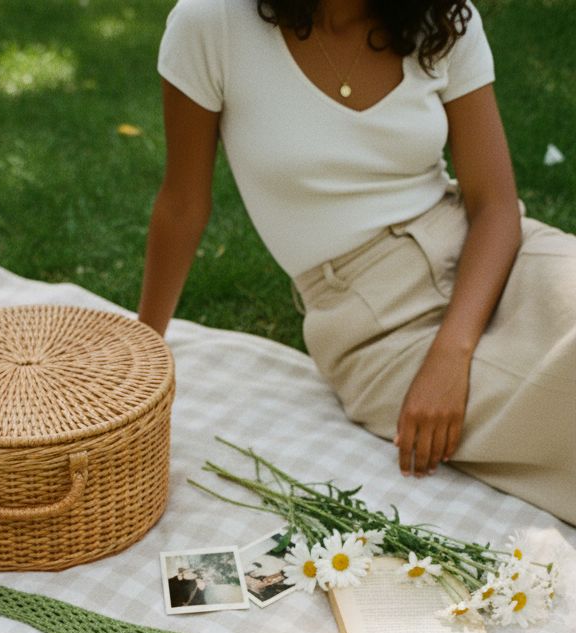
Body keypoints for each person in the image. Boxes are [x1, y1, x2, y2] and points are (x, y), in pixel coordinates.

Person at [137, 0, 575, 524]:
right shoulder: (212, 23)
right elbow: (183, 205)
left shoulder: (441, 18)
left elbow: (496, 205)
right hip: (373, 321)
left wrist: (452, 354)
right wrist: (143, 355)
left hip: (487, 255)